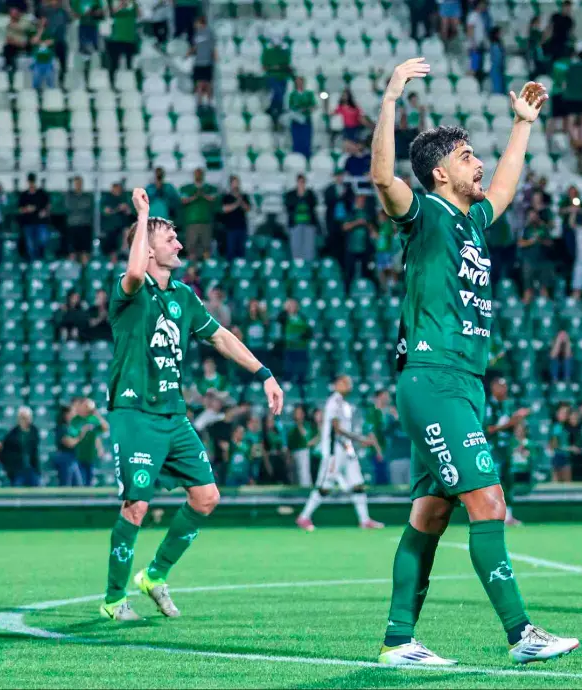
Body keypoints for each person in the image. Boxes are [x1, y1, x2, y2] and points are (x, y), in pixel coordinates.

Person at [371, 59, 577, 665]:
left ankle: (397, 640)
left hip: (462, 383)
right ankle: (521, 634)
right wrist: (389, 100)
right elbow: (384, 179)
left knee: (431, 515)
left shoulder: (472, 221)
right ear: (440, 172)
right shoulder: (428, 214)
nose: (478, 162)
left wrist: (523, 125)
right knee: (488, 502)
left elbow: (506, 188)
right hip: (434, 380)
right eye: (466, 156)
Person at [99, 188, 284, 622]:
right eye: (170, 239)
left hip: (172, 414)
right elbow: (131, 269)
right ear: (146, 250)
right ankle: (112, 599)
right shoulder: (129, 291)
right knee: (136, 506)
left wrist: (265, 374)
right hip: (134, 414)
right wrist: (143, 216)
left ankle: (155, 574)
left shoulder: (183, 296)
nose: (180, 244)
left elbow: (221, 337)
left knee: (206, 497)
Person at [295, 375, 383, 530]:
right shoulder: (333, 403)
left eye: (349, 383)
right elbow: (337, 429)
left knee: (358, 484)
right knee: (324, 486)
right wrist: (360, 438)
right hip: (333, 452)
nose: (349, 385)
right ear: (336, 385)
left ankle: (365, 520)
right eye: (345, 383)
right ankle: (304, 517)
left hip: (346, 449)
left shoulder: (344, 404)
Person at [485, 377, 531, 526]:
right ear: (493, 387)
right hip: (490, 449)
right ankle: (490, 515)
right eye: (500, 386)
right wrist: (512, 421)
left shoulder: (507, 405)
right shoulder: (487, 405)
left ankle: (508, 515)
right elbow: (488, 429)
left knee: (508, 482)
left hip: (506, 448)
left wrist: (520, 442)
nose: (504, 390)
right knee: (493, 483)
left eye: (505, 386)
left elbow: (517, 426)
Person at [179, 168, 218, 260]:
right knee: (191, 248)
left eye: (200, 174)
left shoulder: (210, 188)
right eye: (197, 173)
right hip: (191, 223)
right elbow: (184, 200)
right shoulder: (187, 188)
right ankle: (192, 272)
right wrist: (196, 196)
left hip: (206, 222)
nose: (198, 176)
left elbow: (213, 198)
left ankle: (205, 271)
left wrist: (203, 194)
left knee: (206, 248)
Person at [1, 407, 41, 487]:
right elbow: (5, 454)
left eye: (28, 418)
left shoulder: (34, 431)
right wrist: (10, 470)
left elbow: (34, 450)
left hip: (32, 469)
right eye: (23, 418)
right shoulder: (11, 435)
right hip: (17, 470)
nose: (26, 420)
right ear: (18, 419)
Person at [18, 173, 51, 261]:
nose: (31, 184)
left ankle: (40, 259)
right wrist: (27, 209)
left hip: (41, 223)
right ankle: (33, 263)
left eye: (32, 181)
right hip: (28, 223)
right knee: (30, 245)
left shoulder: (41, 193)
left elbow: (48, 206)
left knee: (42, 240)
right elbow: (20, 209)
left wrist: (45, 212)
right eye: (30, 182)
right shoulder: (24, 195)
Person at [219, 175, 250, 261]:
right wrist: (236, 204)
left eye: (237, 183)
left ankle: (241, 268)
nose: (236, 185)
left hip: (242, 227)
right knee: (230, 251)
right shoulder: (226, 197)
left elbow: (248, 209)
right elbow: (225, 209)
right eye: (234, 183)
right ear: (231, 184)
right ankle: (230, 270)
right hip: (230, 228)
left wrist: (241, 201)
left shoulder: (244, 196)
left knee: (242, 250)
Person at [287, 404, 317, 487]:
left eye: (299, 413)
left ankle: (306, 488)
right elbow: (289, 443)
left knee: (304, 473)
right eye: (296, 413)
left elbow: (306, 438)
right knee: (294, 474)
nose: (297, 415)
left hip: (304, 451)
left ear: (303, 414)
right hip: (293, 452)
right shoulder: (291, 427)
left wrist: (299, 424)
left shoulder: (307, 425)